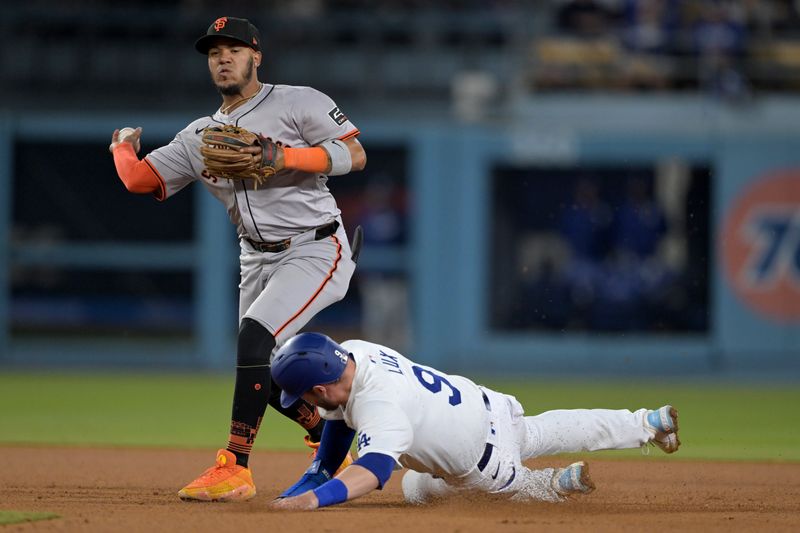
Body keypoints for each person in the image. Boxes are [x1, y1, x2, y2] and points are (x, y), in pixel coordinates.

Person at [108, 16, 366, 501]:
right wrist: (122, 148)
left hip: (314, 245)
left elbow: (354, 153)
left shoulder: (297, 101)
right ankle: (328, 437)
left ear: (256, 56)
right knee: (263, 371)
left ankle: (234, 467)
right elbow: (140, 181)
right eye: (214, 52)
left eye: (234, 49)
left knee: (254, 340)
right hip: (256, 257)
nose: (223, 58)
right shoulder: (198, 135)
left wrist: (285, 156)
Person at [268, 332, 680, 510]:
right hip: (487, 405)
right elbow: (339, 418)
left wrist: (312, 498)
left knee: (416, 487)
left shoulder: (380, 409)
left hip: (485, 462)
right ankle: (646, 421)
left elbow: (374, 471)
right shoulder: (354, 351)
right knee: (548, 428)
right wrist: (319, 471)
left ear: (318, 389)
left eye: (304, 394)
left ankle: (552, 484)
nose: (304, 402)